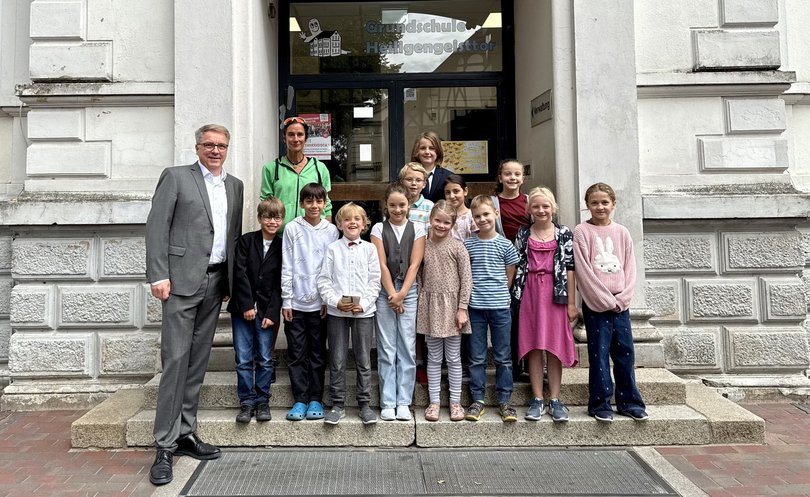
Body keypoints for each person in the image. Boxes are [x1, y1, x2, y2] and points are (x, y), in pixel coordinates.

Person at [145, 124, 243, 486]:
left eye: (221, 146)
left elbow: (230, 236)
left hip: (217, 282)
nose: (215, 151)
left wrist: (232, 282)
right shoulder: (175, 178)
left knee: (198, 360)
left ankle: (186, 433)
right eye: (209, 145)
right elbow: (157, 227)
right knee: (175, 360)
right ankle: (164, 445)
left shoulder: (235, 185)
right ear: (197, 146)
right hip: (180, 282)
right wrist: (158, 274)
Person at [573, 182, 648, 423]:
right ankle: (599, 403)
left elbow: (630, 267)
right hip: (596, 305)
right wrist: (604, 300)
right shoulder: (582, 232)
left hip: (621, 305)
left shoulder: (622, 232)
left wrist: (623, 298)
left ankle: (629, 401)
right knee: (598, 354)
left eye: (605, 202)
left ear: (613, 204)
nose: (600, 207)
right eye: (594, 203)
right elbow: (584, 271)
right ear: (587, 205)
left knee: (625, 352)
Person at [511, 187, 578, 423]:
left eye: (545, 206)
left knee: (553, 345)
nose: (541, 210)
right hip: (529, 292)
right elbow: (515, 264)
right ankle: (537, 398)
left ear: (553, 208)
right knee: (533, 345)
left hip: (555, 293)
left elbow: (570, 269)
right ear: (529, 210)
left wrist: (571, 303)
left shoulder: (564, 233)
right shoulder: (522, 233)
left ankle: (555, 399)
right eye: (536, 206)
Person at [317, 203, 381, 425]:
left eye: (357, 219)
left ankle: (364, 404)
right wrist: (335, 301)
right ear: (339, 223)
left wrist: (362, 304)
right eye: (347, 219)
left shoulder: (370, 249)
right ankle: (337, 403)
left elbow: (375, 281)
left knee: (363, 359)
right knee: (337, 358)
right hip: (337, 313)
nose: (352, 222)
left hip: (363, 313)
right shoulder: (333, 249)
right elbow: (324, 280)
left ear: (364, 224)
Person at [281, 183, 339, 421]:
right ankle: (300, 399)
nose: (314, 206)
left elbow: (332, 268)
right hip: (296, 302)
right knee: (296, 353)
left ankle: (315, 397)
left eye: (318, 201)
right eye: (309, 201)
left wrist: (328, 298)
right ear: (302, 203)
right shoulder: (292, 229)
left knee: (317, 352)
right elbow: (287, 264)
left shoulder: (332, 231)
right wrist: (286, 300)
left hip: (321, 304)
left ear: (325, 203)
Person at [227, 197, 285, 424]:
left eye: (277, 217)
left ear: (282, 219)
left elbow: (282, 282)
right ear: (260, 218)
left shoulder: (282, 246)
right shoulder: (246, 242)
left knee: (264, 357)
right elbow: (239, 274)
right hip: (243, 308)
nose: (272, 221)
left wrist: (272, 313)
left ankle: (262, 400)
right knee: (243, 358)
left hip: (267, 311)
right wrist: (247, 305)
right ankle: (246, 401)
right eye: (268, 217)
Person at [371, 182, 426, 421]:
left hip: (408, 292)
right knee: (386, 347)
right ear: (386, 205)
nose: (397, 209)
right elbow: (381, 264)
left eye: (402, 205)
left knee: (406, 345)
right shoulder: (377, 229)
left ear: (409, 205)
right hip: (385, 293)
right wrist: (392, 294)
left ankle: (403, 401)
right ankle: (387, 401)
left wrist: (402, 293)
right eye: (392, 205)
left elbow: (415, 264)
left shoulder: (419, 229)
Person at [463, 195, 519, 423]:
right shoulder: (468, 244)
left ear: (496, 214)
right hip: (475, 307)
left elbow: (510, 275)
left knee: (503, 356)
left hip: (500, 308)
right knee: (476, 357)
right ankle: (478, 400)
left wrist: (500, 294)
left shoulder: (506, 245)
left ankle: (505, 400)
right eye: (477, 216)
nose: (482, 219)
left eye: (486, 214)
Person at [417, 201, 472, 422]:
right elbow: (418, 273)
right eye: (437, 220)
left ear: (453, 223)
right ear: (430, 220)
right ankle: (434, 402)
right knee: (433, 358)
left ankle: (456, 402)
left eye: (446, 222)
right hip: (431, 306)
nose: (441, 225)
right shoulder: (422, 245)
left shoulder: (458, 247)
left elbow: (466, 279)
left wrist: (462, 308)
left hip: (452, 308)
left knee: (453, 358)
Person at [491, 159, 531, 381]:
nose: (512, 178)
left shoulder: (529, 202)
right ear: (500, 177)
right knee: (506, 316)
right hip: (499, 266)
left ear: (522, 178)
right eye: (508, 174)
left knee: (522, 316)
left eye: (517, 174)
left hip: (525, 267)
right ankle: (507, 365)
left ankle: (522, 364)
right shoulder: (493, 203)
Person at [260, 116, 333, 227]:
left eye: (300, 134)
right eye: (291, 135)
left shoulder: (319, 168)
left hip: (312, 233)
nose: (295, 139)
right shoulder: (271, 168)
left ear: (306, 138)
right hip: (281, 234)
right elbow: (266, 205)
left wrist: (326, 231)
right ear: (284, 138)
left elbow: (326, 205)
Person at [412, 131, 453, 203]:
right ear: (417, 151)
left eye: (431, 148)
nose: (427, 152)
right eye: (423, 148)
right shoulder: (408, 175)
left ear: (438, 151)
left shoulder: (449, 176)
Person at [400, 162, 434, 232]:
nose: (414, 183)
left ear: (424, 184)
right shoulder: (395, 204)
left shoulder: (430, 207)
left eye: (418, 180)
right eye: (409, 179)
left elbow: (431, 233)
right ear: (401, 182)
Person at [443, 174, 477, 241]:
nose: (452, 196)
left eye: (456, 191)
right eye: (448, 192)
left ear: (465, 191)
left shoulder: (472, 216)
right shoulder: (443, 217)